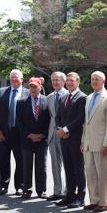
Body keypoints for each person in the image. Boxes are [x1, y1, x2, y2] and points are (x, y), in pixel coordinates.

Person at [82, 71, 107, 213]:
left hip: (102, 143)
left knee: (102, 174)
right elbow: (86, 123)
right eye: (92, 79)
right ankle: (94, 200)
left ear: (103, 81)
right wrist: (83, 141)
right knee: (90, 174)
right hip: (88, 143)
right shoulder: (89, 97)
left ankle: (104, 202)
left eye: (97, 79)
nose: (94, 81)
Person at [0, 69, 30, 196]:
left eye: (16, 77)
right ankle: (3, 185)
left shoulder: (28, 93)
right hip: (3, 133)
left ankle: (19, 186)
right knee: (3, 160)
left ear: (22, 79)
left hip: (20, 134)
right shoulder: (1, 92)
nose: (14, 79)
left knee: (20, 161)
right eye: (12, 77)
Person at [55, 72, 87, 208]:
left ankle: (80, 197)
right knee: (68, 167)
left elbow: (80, 118)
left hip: (75, 138)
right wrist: (60, 129)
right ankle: (69, 194)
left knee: (78, 168)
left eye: (72, 80)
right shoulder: (63, 97)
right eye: (67, 80)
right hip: (64, 138)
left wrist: (66, 130)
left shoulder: (82, 98)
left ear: (78, 82)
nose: (69, 83)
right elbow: (58, 116)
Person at [16, 77, 51, 199]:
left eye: (35, 87)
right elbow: (19, 122)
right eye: (31, 87)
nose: (32, 89)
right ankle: (27, 189)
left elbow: (50, 121)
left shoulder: (47, 101)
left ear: (40, 87)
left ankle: (41, 190)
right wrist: (29, 135)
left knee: (41, 166)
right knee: (26, 165)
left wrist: (42, 134)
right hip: (27, 139)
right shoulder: (21, 102)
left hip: (42, 139)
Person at [46, 72, 68, 201]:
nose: (55, 82)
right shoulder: (48, 97)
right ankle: (57, 191)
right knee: (55, 164)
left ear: (63, 81)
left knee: (67, 164)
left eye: (57, 80)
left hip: (65, 134)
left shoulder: (68, 95)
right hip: (52, 134)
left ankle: (67, 191)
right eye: (53, 80)